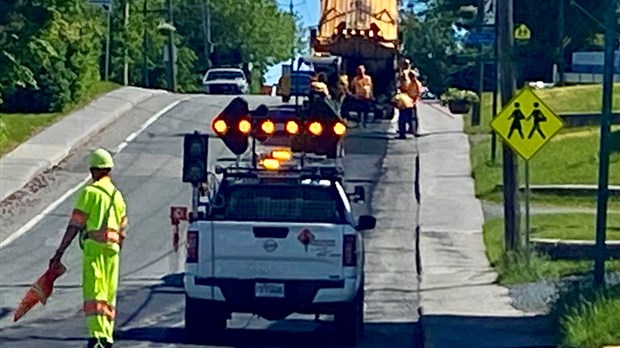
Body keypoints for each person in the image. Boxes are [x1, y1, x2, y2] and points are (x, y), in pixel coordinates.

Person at [49, 148, 128, 348]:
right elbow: (123, 230)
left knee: (94, 293)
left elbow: (75, 225)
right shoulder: (118, 197)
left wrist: (59, 252)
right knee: (109, 294)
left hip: (94, 249)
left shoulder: (90, 193)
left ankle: (96, 337)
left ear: (94, 171)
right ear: (109, 170)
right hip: (113, 250)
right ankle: (107, 336)